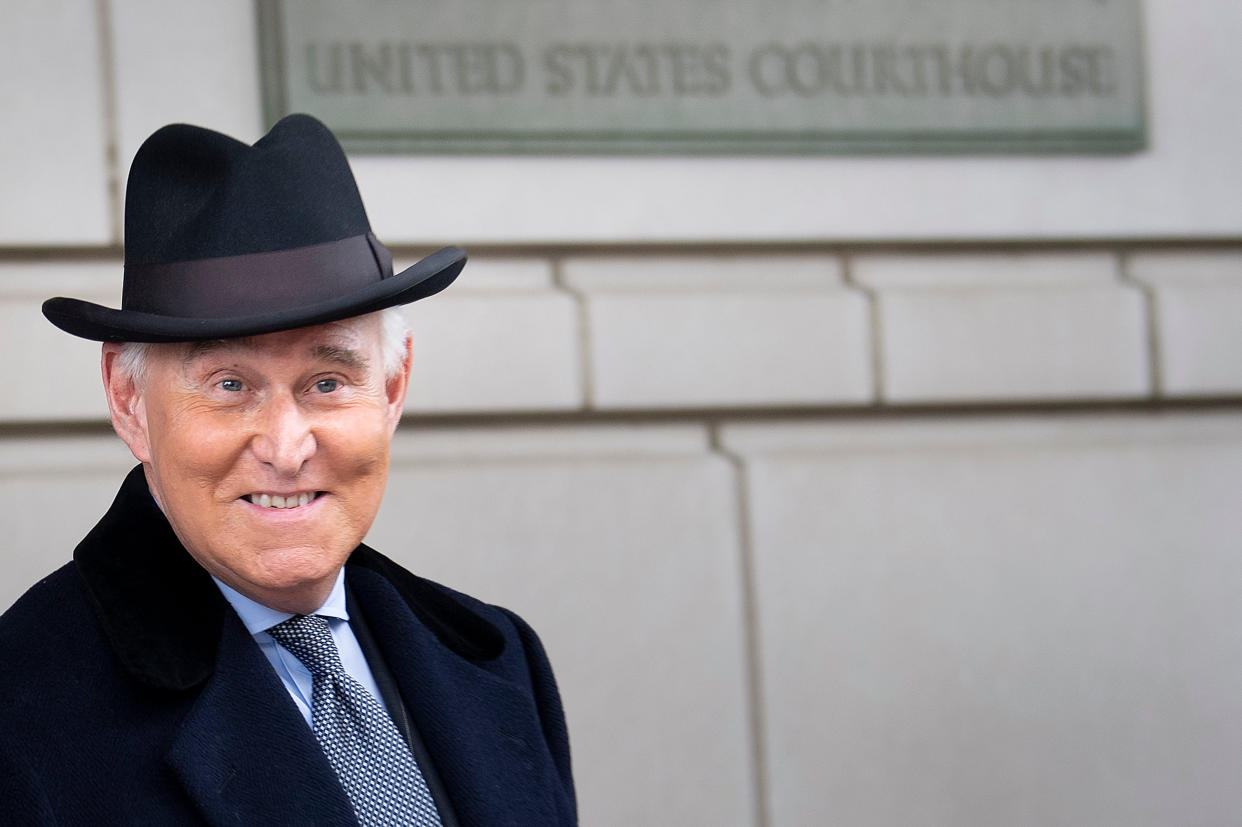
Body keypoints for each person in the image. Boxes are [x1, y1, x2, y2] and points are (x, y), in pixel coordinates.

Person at [0, 114, 576, 826]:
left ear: (393, 388)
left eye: (327, 382)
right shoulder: (22, 713)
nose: (285, 446)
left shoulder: (500, 659)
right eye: (229, 385)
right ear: (129, 400)